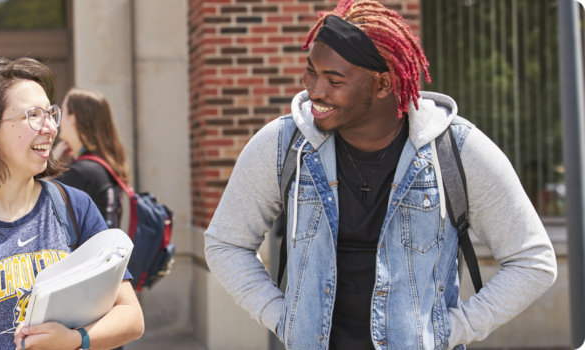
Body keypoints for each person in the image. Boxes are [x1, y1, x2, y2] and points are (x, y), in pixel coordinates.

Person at [204, 1, 557, 349]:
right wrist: (283, 317)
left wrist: (450, 330)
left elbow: (532, 261)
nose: (315, 90)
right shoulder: (283, 145)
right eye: (311, 71)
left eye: (334, 79)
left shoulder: (456, 150)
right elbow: (226, 243)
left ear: (384, 85)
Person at [0, 58, 145, 350]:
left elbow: (131, 316)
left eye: (50, 114)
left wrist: (75, 340)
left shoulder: (75, 207)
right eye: (33, 115)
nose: (50, 128)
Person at [54, 88, 130, 229]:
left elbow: (34, 208)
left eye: (62, 111)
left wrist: (51, 165)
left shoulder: (82, 173)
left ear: (73, 118)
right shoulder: (100, 166)